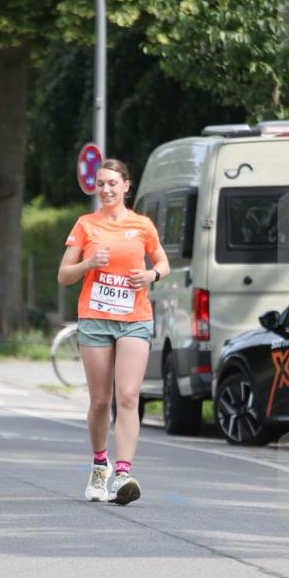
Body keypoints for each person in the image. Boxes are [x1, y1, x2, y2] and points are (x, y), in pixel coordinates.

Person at [58, 159, 170, 505]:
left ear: (126, 186)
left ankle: (123, 474)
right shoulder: (85, 224)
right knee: (100, 401)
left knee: (129, 397)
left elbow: (163, 262)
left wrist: (150, 276)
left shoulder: (142, 225)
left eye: (112, 183)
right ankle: (99, 464)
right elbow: (64, 275)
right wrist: (88, 263)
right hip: (95, 319)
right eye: (100, 184)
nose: (105, 190)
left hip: (135, 318)